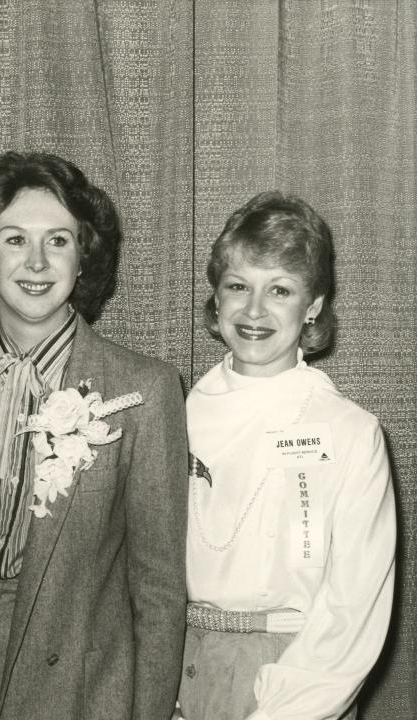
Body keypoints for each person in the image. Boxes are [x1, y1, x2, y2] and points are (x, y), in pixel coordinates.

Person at [0, 151, 188, 719]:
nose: (36, 262)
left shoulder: (144, 389)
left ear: (83, 258)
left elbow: (159, 590)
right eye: (14, 239)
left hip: (83, 686)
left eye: (58, 241)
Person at [177, 192, 395, 719]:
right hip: (178, 668)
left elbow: (352, 610)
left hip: (296, 675)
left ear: (313, 305)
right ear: (216, 297)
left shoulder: (350, 432)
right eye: (238, 287)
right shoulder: (175, 413)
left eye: (279, 290)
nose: (254, 311)